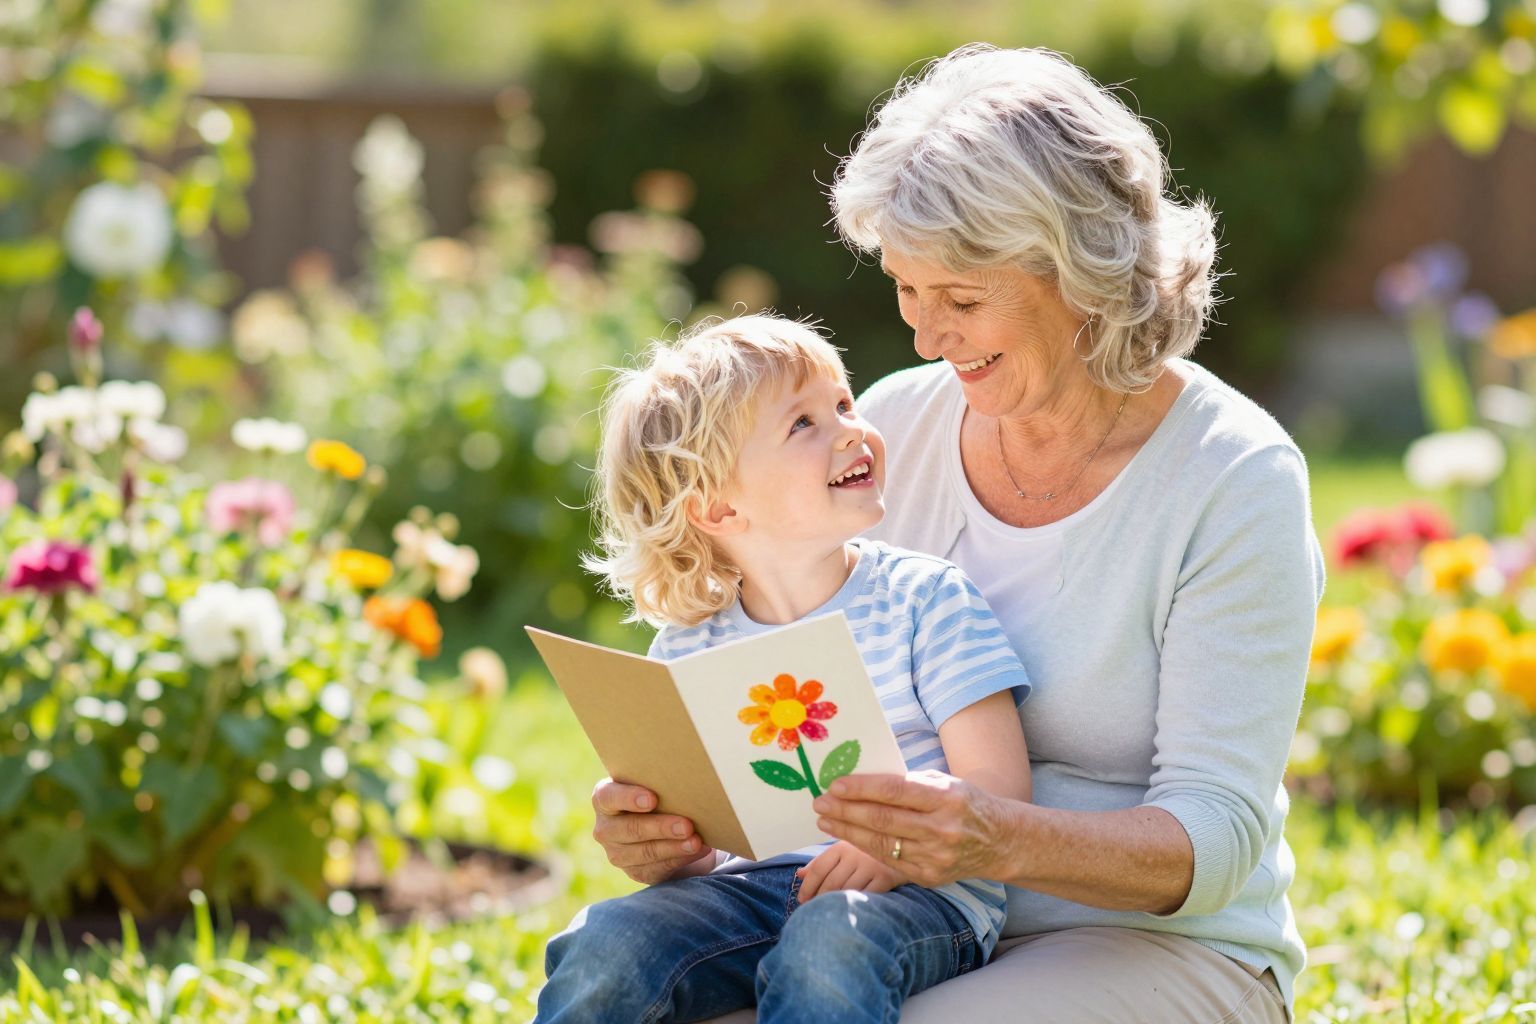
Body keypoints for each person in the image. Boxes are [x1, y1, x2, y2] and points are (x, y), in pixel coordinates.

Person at [590, 45, 1324, 1023]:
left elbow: (1217, 836)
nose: (926, 336)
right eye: (906, 288)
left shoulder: (1233, 479)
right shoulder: (894, 426)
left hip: (1149, 944)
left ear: (1081, 269)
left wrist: (994, 836)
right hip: (881, 916)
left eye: (962, 299)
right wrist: (682, 829)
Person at [535, 315, 1033, 1024]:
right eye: (803, 424)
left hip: (920, 891)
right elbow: (707, 849)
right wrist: (665, 842)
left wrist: (897, 848)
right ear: (716, 505)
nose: (850, 429)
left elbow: (999, 786)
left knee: (829, 940)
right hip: (753, 892)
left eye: (843, 404)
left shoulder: (926, 600)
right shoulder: (686, 649)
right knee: (609, 939)